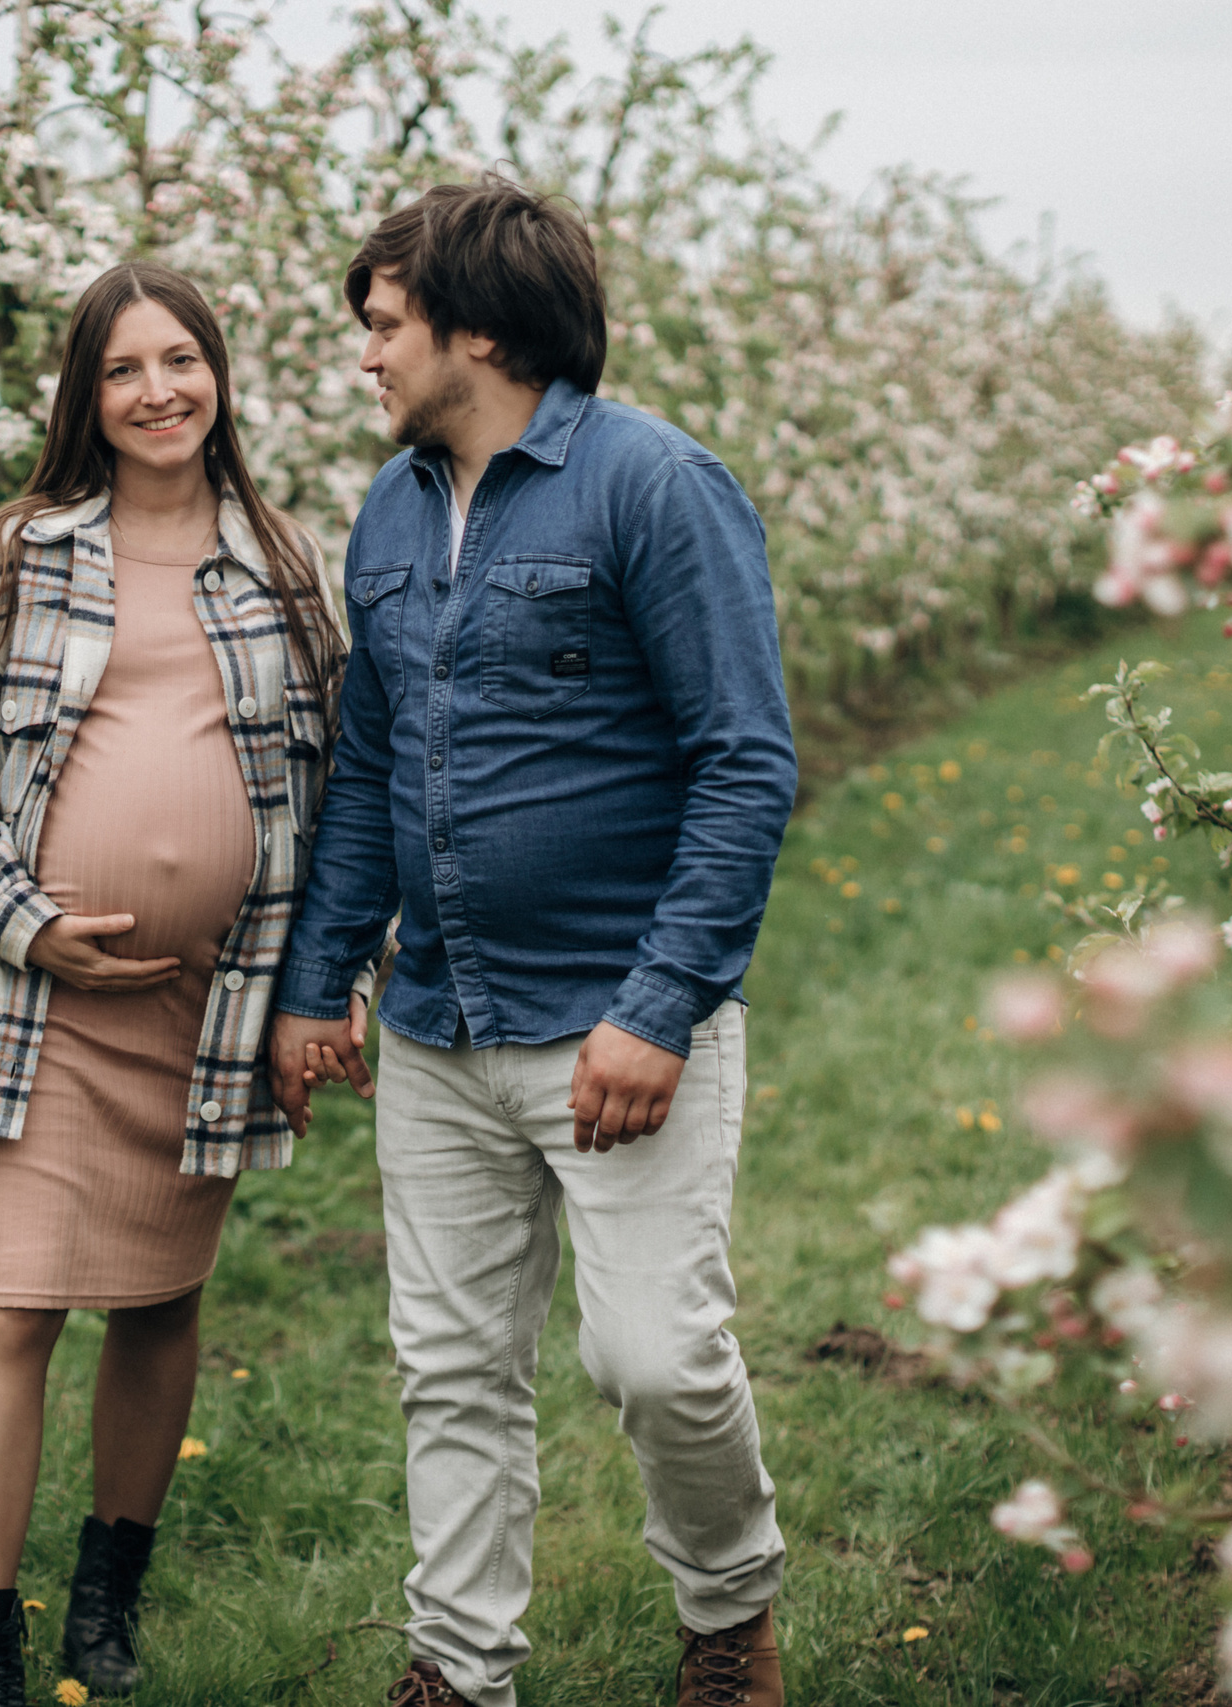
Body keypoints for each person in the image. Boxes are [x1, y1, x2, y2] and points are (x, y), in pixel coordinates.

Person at [269, 178, 799, 1707]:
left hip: (616, 1022)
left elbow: (743, 758)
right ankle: (460, 1667)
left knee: (656, 1360)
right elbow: (369, 763)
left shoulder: (653, 486)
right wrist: (321, 985)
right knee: (451, 1373)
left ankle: (728, 1609)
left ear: (477, 327)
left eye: (382, 327)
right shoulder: (387, 507)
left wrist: (659, 1007)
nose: (365, 359)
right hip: (437, 1024)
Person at [0, 259, 356, 1707]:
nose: (158, 391)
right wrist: (25, 921)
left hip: (207, 1000)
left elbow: (343, 780)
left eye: (182, 360)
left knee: (162, 1298)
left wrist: (329, 985)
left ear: (219, 376)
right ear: (85, 397)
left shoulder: (283, 562)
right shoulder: (14, 553)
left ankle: (109, 1595)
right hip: (28, 997)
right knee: (9, 1306)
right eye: (123, 369)